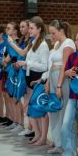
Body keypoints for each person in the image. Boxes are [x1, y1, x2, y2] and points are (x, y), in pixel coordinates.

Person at [12, 17, 50, 145]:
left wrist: (27, 63)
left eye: (32, 28)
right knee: (31, 109)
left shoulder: (43, 45)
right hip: (30, 78)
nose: (29, 30)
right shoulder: (33, 43)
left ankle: (43, 136)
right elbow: (30, 62)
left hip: (38, 79)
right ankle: (38, 133)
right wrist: (22, 64)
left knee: (40, 109)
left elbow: (44, 66)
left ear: (39, 29)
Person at [47, 20, 75, 154]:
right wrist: (48, 82)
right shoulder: (57, 43)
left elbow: (65, 65)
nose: (51, 36)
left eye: (53, 33)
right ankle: (57, 143)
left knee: (64, 112)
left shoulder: (68, 43)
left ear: (61, 31)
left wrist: (59, 85)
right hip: (52, 75)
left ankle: (67, 145)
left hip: (62, 79)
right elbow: (50, 64)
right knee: (53, 111)